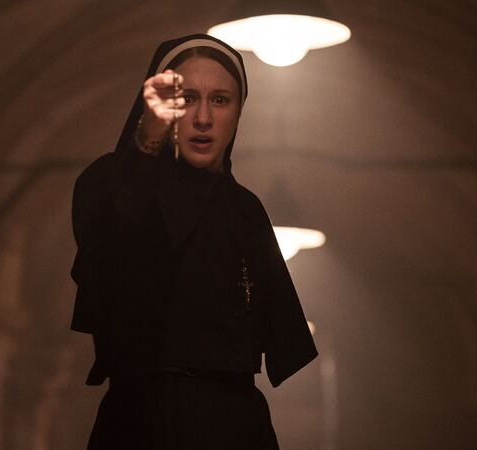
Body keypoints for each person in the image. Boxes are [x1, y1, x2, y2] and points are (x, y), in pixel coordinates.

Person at [69, 33, 318, 450]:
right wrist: (147, 141)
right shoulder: (109, 185)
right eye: (186, 99)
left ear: (238, 112)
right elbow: (112, 243)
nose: (203, 118)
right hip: (140, 428)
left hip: (235, 430)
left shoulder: (246, 212)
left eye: (220, 100)